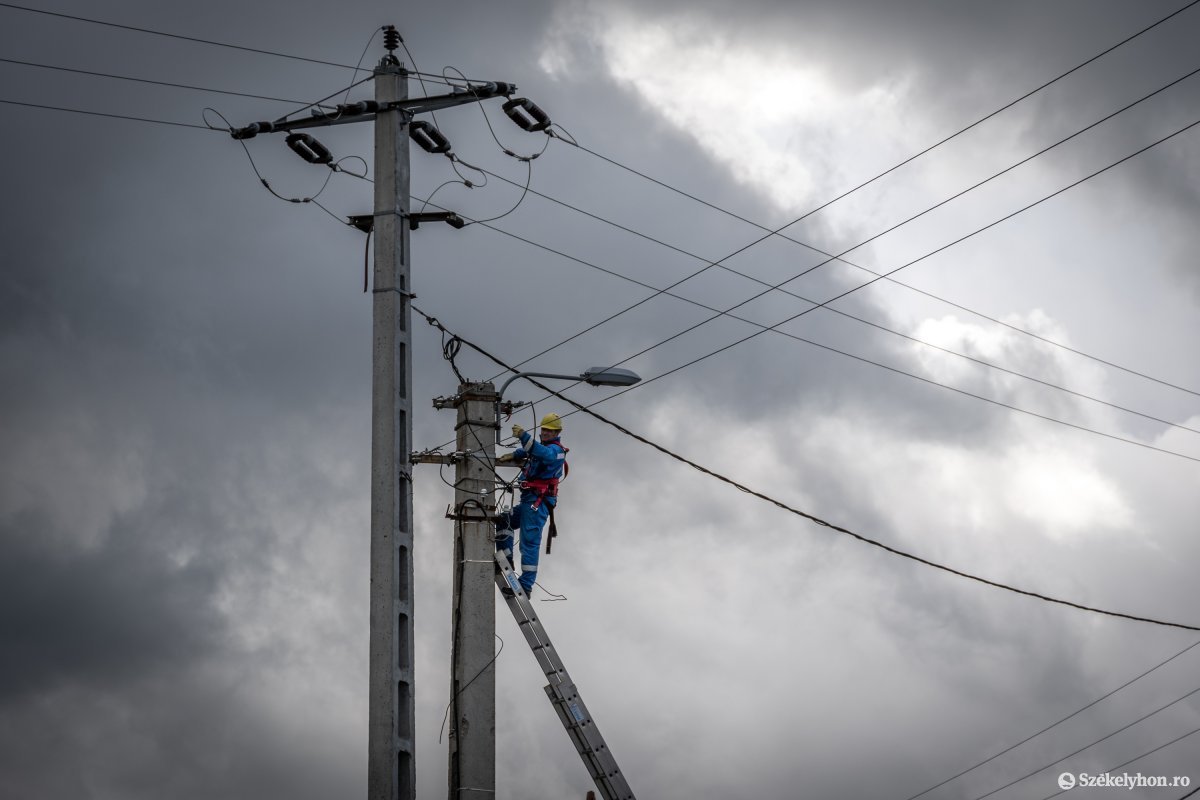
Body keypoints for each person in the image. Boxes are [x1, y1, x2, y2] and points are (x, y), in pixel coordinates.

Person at [495, 412, 568, 596]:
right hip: (528, 500)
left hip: (538, 503)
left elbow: (541, 453)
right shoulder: (541, 447)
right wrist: (514, 454)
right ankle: (506, 559)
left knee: (529, 543)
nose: (544, 433)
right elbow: (531, 450)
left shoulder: (556, 452)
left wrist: (523, 436)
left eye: (549, 431)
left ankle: (525, 586)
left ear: (557, 432)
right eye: (543, 429)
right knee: (505, 520)